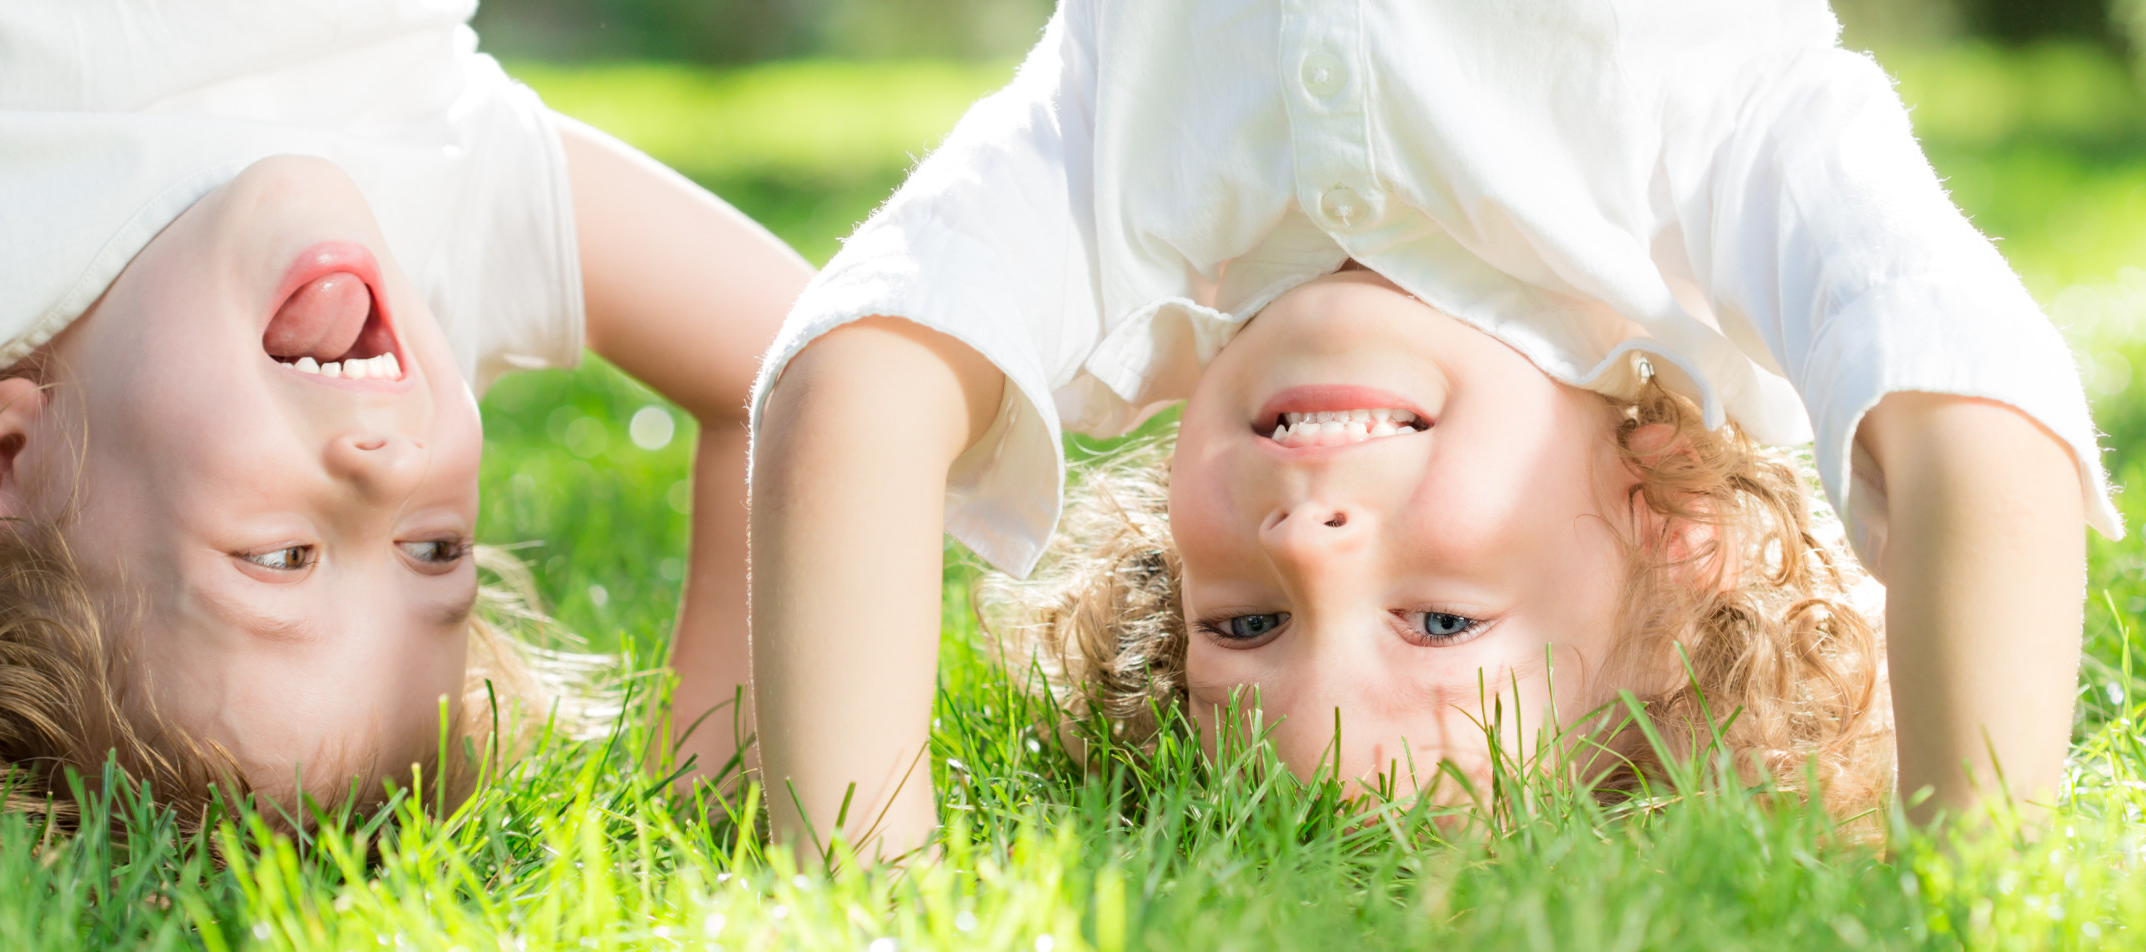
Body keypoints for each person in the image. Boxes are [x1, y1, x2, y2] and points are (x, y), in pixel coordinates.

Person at [748, 0, 2118, 861]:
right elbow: (1981, 426)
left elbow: (847, 394)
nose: (1310, 541)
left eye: (1245, 624)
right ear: (1672, 515)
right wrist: (1974, 894)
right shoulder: (1722, 127)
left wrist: (870, 892)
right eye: (1439, 625)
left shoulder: (1122, 153)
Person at [0, 2, 807, 863]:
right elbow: (799, 371)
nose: (384, 464)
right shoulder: (433, 210)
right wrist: (704, 826)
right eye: (435, 550)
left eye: (282, 559)